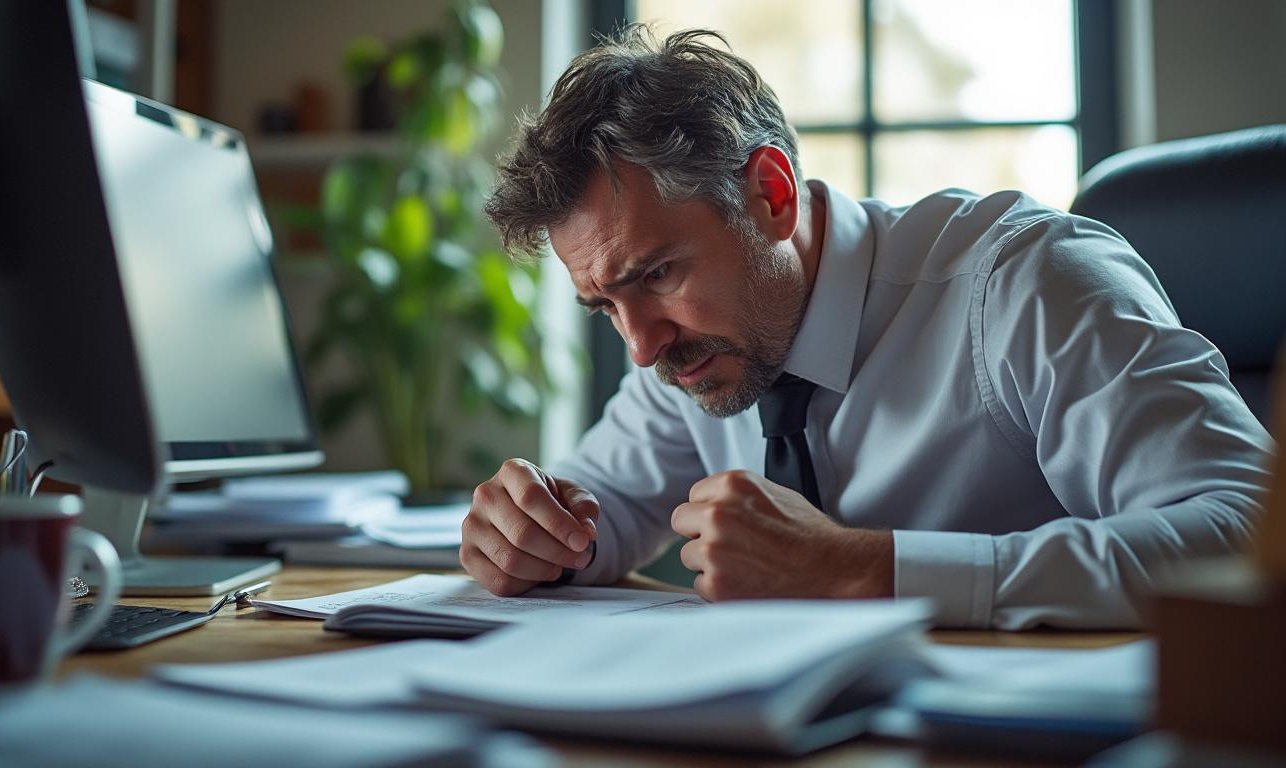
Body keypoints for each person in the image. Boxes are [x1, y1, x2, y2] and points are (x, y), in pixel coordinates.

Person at [461, 26, 1273, 629]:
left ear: (771, 196)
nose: (640, 347)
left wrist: (870, 568)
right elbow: (595, 514)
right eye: (604, 306)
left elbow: (1247, 531)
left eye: (658, 274)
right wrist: (534, 535)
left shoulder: (1026, 281)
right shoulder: (689, 348)